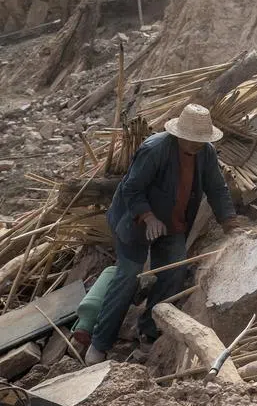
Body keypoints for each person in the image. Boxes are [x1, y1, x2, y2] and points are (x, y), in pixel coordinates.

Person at [85, 104, 240, 364]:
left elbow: (217, 188)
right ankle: (100, 343)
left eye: (201, 141)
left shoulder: (206, 153)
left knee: (173, 272)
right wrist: (148, 216)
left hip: (173, 223)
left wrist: (230, 223)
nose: (196, 145)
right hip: (133, 220)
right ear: (179, 134)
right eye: (192, 140)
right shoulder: (154, 149)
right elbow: (131, 189)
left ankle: (149, 330)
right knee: (128, 277)